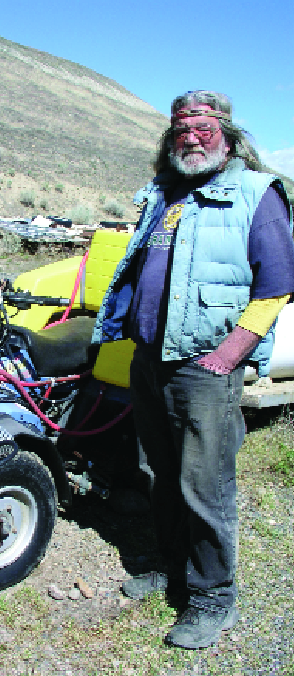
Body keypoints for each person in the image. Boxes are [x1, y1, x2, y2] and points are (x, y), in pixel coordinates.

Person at [92, 90, 294, 649]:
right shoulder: (164, 193)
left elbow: (277, 285)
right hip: (150, 359)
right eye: (182, 129)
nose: (192, 137)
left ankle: (212, 596)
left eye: (204, 128)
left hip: (206, 367)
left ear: (226, 134)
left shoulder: (258, 194)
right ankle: (171, 568)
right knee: (158, 474)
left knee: (204, 485)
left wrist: (231, 353)